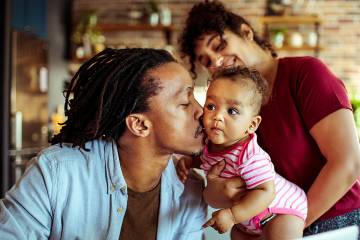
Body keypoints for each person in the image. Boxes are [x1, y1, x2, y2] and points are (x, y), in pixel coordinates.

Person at [179, 0, 360, 239]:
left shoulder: (305, 75)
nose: (216, 61)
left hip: (331, 222)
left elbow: (348, 164)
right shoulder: (225, 115)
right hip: (267, 225)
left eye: (219, 45)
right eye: (206, 61)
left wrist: (287, 227)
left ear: (246, 32)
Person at [0, 48, 207, 239]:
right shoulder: (54, 173)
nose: (201, 111)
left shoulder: (191, 189)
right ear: (139, 125)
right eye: (185, 103)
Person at [177, 66, 307, 239]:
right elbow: (208, 160)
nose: (217, 116)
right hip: (247, 219)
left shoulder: (250, 155)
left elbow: (266, 191)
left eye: (232, 111)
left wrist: (232, 215)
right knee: (236, 234)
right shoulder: (210, 144)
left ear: (251, 125)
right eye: (211, 106)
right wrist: (190, 162)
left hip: (280, 211)